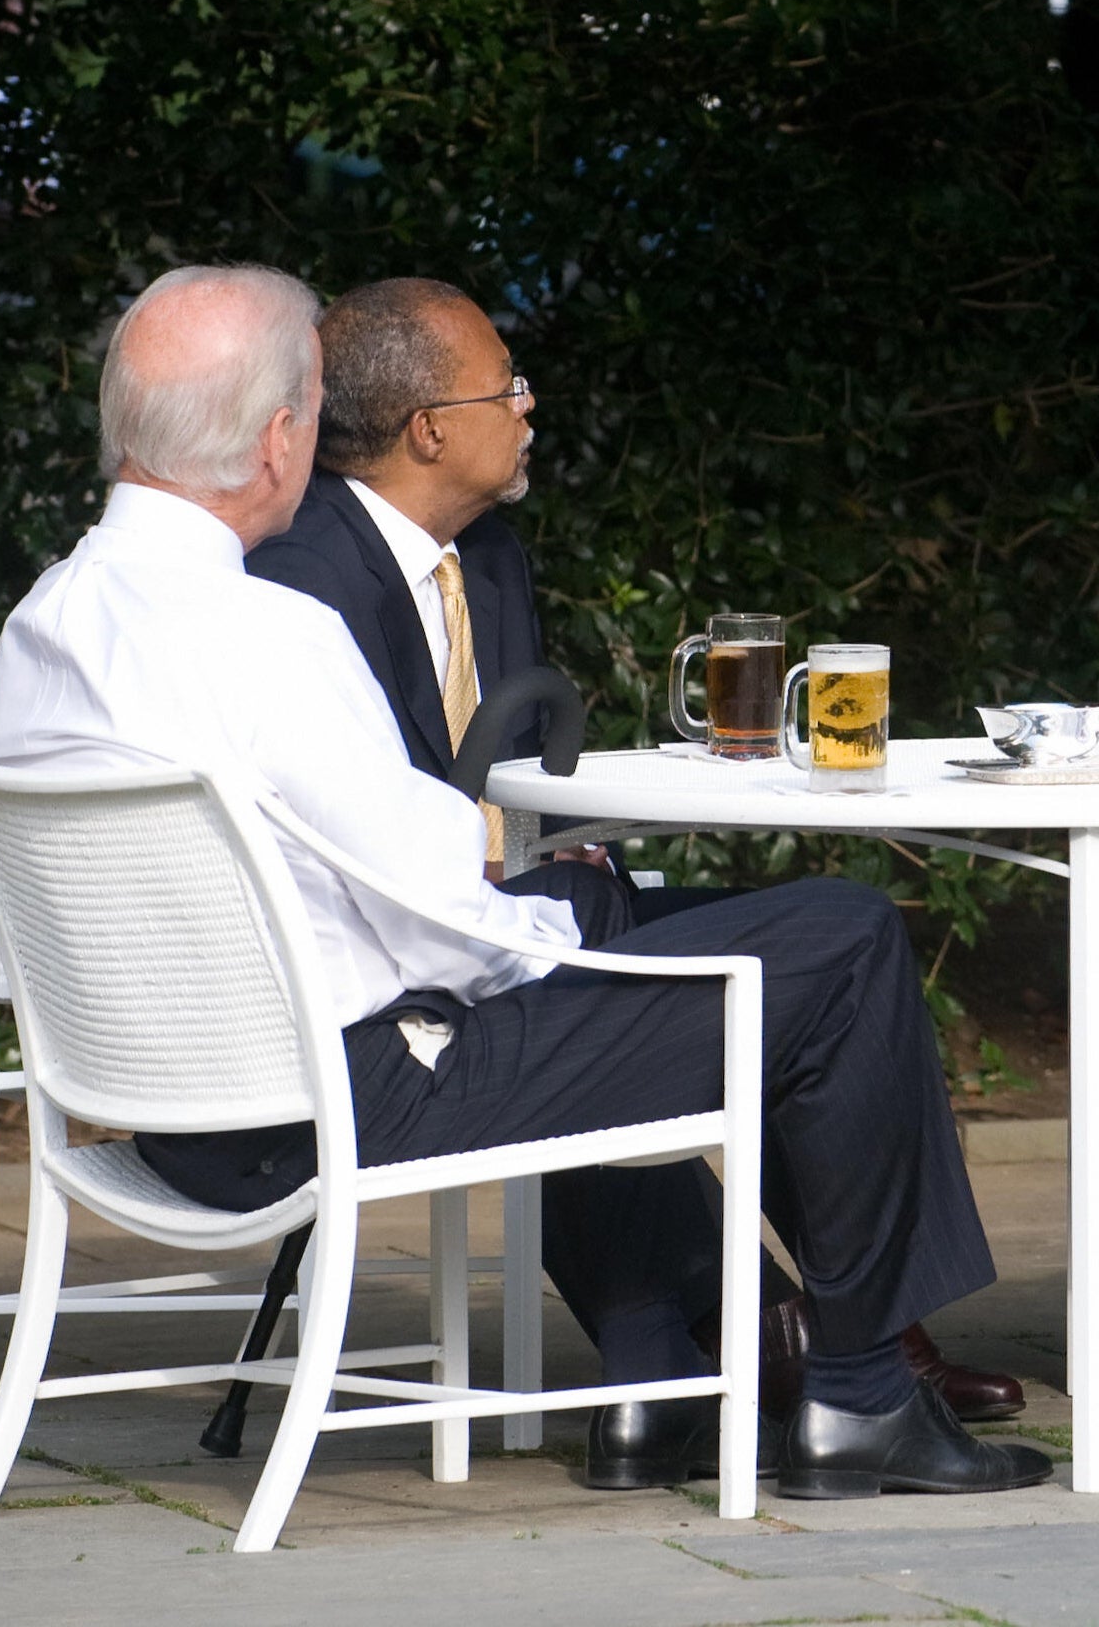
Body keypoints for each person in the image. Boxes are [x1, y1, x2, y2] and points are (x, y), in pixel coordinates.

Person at [0, 264, 1050, 1502]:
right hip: (344, 1091)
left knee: (636, 952)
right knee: (843, 939)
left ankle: (660, 1373)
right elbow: (442, 906)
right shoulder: (263, 634)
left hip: (171, 1117)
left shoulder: (44, 623)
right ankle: (862, 1396)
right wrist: (566, 930)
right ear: (281, 440)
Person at [243, 277, 1021, 1423]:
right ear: (429, 429)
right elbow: (367, 840)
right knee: (815, 955)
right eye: (505, 383)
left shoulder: (486, 553)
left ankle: (690, 1360)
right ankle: (822, 1349)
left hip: (491, 910)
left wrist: (550, 873)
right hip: (409, 968)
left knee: (771, 935)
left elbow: (497, 773)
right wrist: (524, 889)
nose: (529, 401)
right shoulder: (303, 581)